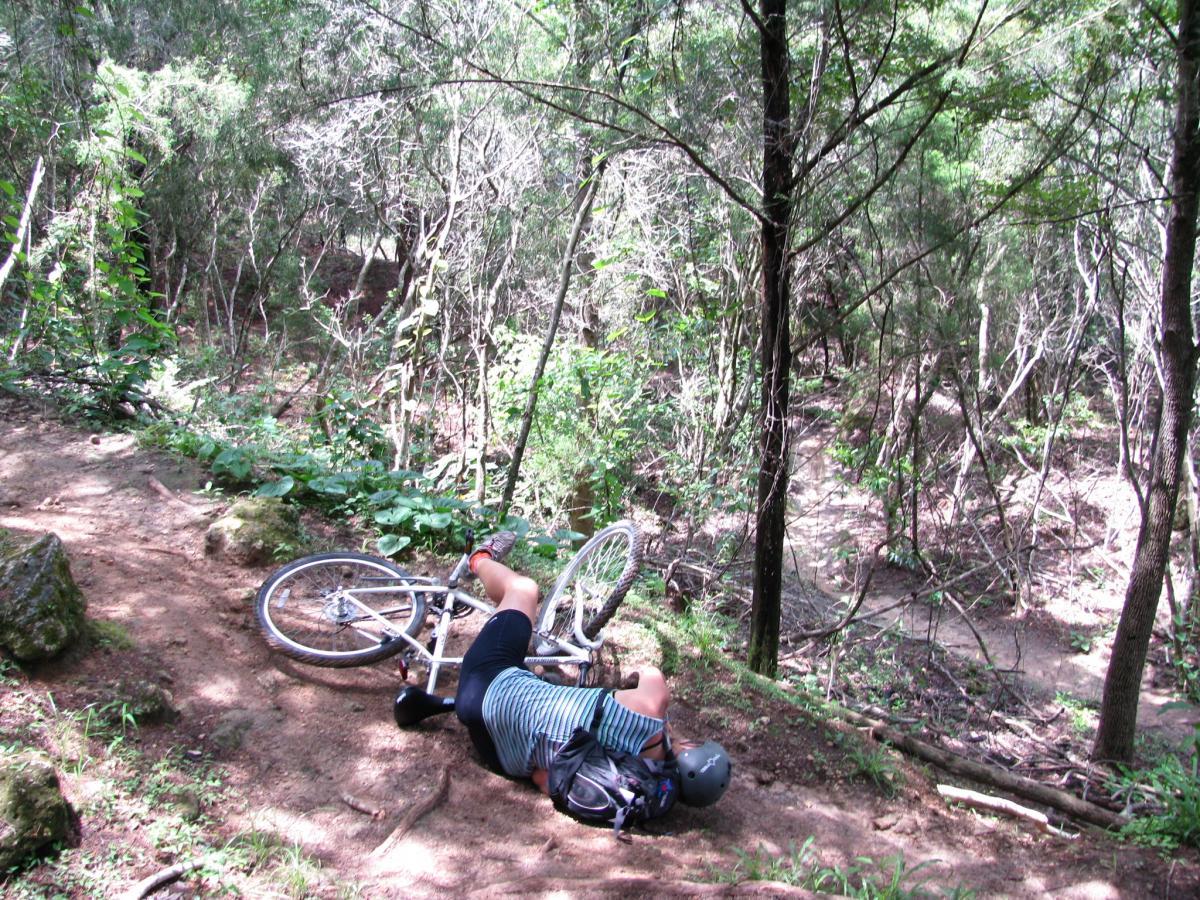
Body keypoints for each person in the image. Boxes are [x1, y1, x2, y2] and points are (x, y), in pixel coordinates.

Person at [453, 532, 731, 807]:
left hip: (486, 683)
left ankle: (478, 559)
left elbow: (649, 673)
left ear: (691, 749)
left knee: (524, 589)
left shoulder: (651, 708)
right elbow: (543, 779)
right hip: (497, 754)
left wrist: (665, 725)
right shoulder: (632, 783)